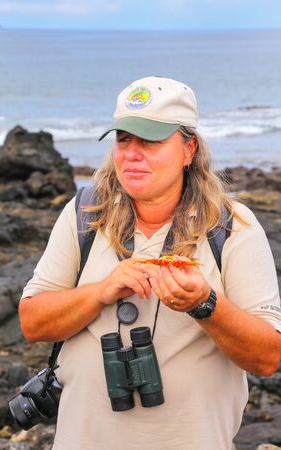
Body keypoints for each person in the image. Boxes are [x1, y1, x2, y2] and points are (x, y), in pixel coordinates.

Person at [19, 76, 281, 450]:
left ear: (189, 149)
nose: (132, 153)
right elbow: (32, 321)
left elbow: (267, 357)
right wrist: (100, 291)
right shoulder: (84, 215)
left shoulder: (230, 227)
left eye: (151, 140)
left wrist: (205, 304)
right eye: (124, 139)